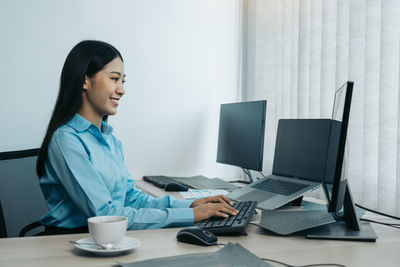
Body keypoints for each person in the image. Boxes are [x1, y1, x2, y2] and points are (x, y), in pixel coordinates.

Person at [36, 40, 238, 234]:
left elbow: (132, 199)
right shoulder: (67, 141)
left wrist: (191, 204)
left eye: (122, 81)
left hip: (107, 237)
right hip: (70, 241)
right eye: (114, 79)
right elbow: (106, 216)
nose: (122, 90)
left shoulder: (110, 140)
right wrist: (191, 215)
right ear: (84, 80)